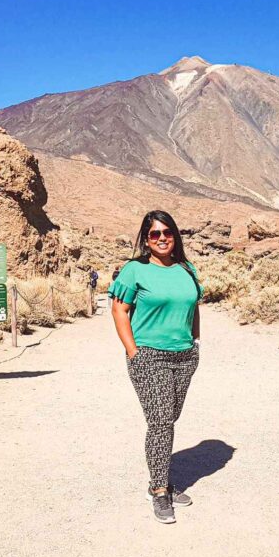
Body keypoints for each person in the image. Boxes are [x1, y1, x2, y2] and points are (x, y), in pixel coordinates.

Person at [109, 210, 202, 524]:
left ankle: (161, 474)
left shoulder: (186, 269)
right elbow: (119, 310)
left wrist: (195, 341)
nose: (162, 238)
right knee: (161, 421)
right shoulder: (135, 270)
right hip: (149, 355)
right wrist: (133, 352)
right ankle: (159, 489)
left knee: (169, 417)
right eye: (154, 234)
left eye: (167, 232)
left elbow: (193, 307)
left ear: (175, 235)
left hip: (184, 356)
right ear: (146, 239)